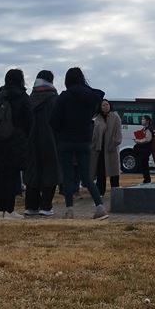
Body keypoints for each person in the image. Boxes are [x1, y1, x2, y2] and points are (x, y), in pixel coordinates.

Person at [50, 67, 107, 219]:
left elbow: (53, 120)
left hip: (66, 140)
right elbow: (99, 94)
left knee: (68, 176)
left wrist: (60, 130)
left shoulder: (63, 97)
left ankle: (69, 210)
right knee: (86, 176)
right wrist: (85, 87)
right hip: (84, 140)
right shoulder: (89, 96)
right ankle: (100, 206)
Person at [0, 68, 33, 219]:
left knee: (1, 176)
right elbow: (29, 120)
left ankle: (0, 210)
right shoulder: (23, 96)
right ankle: (9, 210)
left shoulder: (0, 95)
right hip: (16, 140)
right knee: (12, 175)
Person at [23, 69, 62, 216]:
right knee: (50, 173)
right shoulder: (54, 99)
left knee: (32, 172)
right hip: (50, 140)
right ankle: (46, 206)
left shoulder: (30, 98)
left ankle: (31, 206)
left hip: (31, 140)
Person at [91, 98, 122, 195]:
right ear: (100, 107)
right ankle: (100, 192)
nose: (105, 106)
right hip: (100, 148)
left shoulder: (115, 117)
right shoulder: (97, 118)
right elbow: (94, 133)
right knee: (101, 171)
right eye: (103, 105)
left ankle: (115, 191)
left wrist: (115, 142)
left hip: (111, 148)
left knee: (114, 172)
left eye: (107, 104)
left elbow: (118, 132)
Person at [133, 114, 155, 184]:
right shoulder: (145, 129)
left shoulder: (149, 129)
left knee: (144, 164)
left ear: (147, 121)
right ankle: (146, 179)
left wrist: (138, 141)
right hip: (144, 149)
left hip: (145, 149)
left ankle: (147, 179)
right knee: (143, 164)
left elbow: (147, 139)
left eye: (143, 119)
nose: (141, 120)